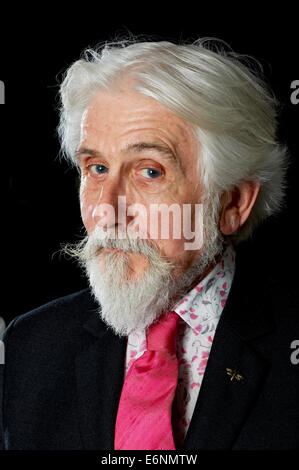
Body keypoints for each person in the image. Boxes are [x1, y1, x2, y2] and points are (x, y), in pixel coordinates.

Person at [1, 37, 298, 451]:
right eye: (97, 168)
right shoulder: (32, 343)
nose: (106, 210)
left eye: (150, 172)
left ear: (233, 202)